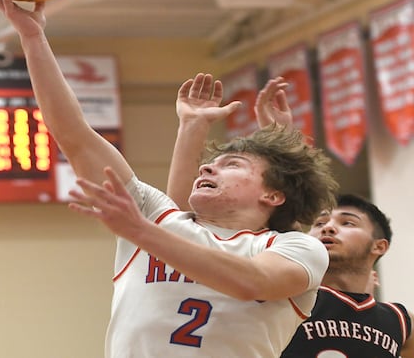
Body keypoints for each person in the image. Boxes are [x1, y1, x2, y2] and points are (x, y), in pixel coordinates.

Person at [0, 0, 339, 357]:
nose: (208, 170)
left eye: (230, 164)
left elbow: (253, 282)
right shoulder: (157, 215)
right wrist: (32, 38)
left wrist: (139, 231)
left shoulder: (295, 247)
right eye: (208, 164)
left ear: (273, 194)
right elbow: (75, 136)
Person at [169, 75, 412, 357]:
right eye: (320, 223)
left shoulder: (397, 320)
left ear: (379, 246)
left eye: (347, 223)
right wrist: (282, 137)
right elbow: (177, 218)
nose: (328, 229)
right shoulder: (289, 286)